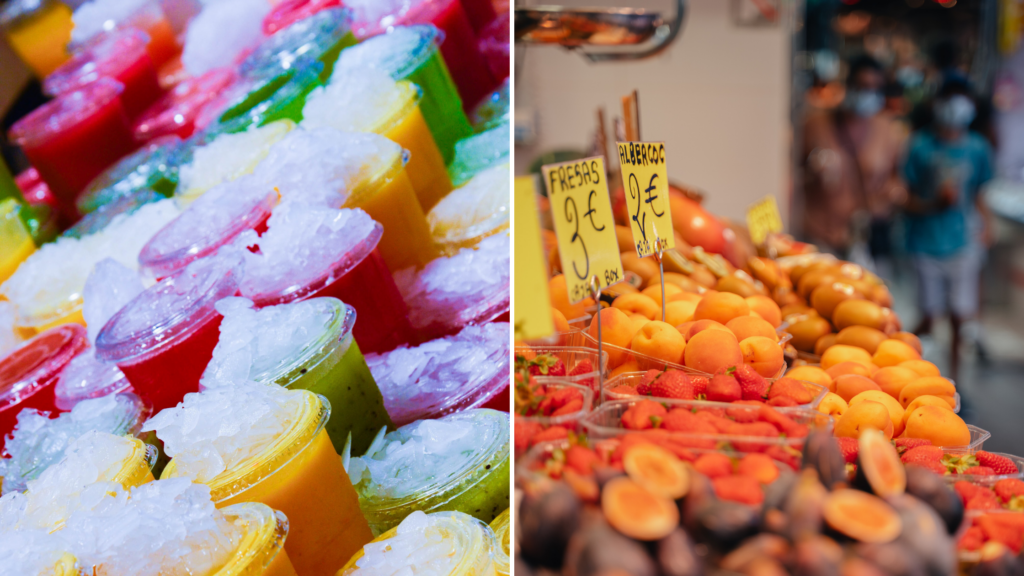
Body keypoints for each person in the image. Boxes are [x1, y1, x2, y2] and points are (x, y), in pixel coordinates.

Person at [902, 77, 994, 376]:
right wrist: (933, 204)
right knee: (930, 316)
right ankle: (900, 357)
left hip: (963, 242)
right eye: (950, 98)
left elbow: (979, 194)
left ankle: (954, 381)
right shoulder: (920, 146)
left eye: (962, 98)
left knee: (959, 317)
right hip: (926, 242)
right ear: (936, 103)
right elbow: (906, 199)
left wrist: (986, 226)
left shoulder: (978, 148)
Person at [801, 55, 907, 266]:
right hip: (821, 235)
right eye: (862, 86)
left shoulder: (888, 130)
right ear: (848, 86)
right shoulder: (816, 124)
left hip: (864, 240)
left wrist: (890, 197)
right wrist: (815, 172)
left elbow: (898, 180)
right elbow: (795, 172)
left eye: (875, 88)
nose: (868, 94)